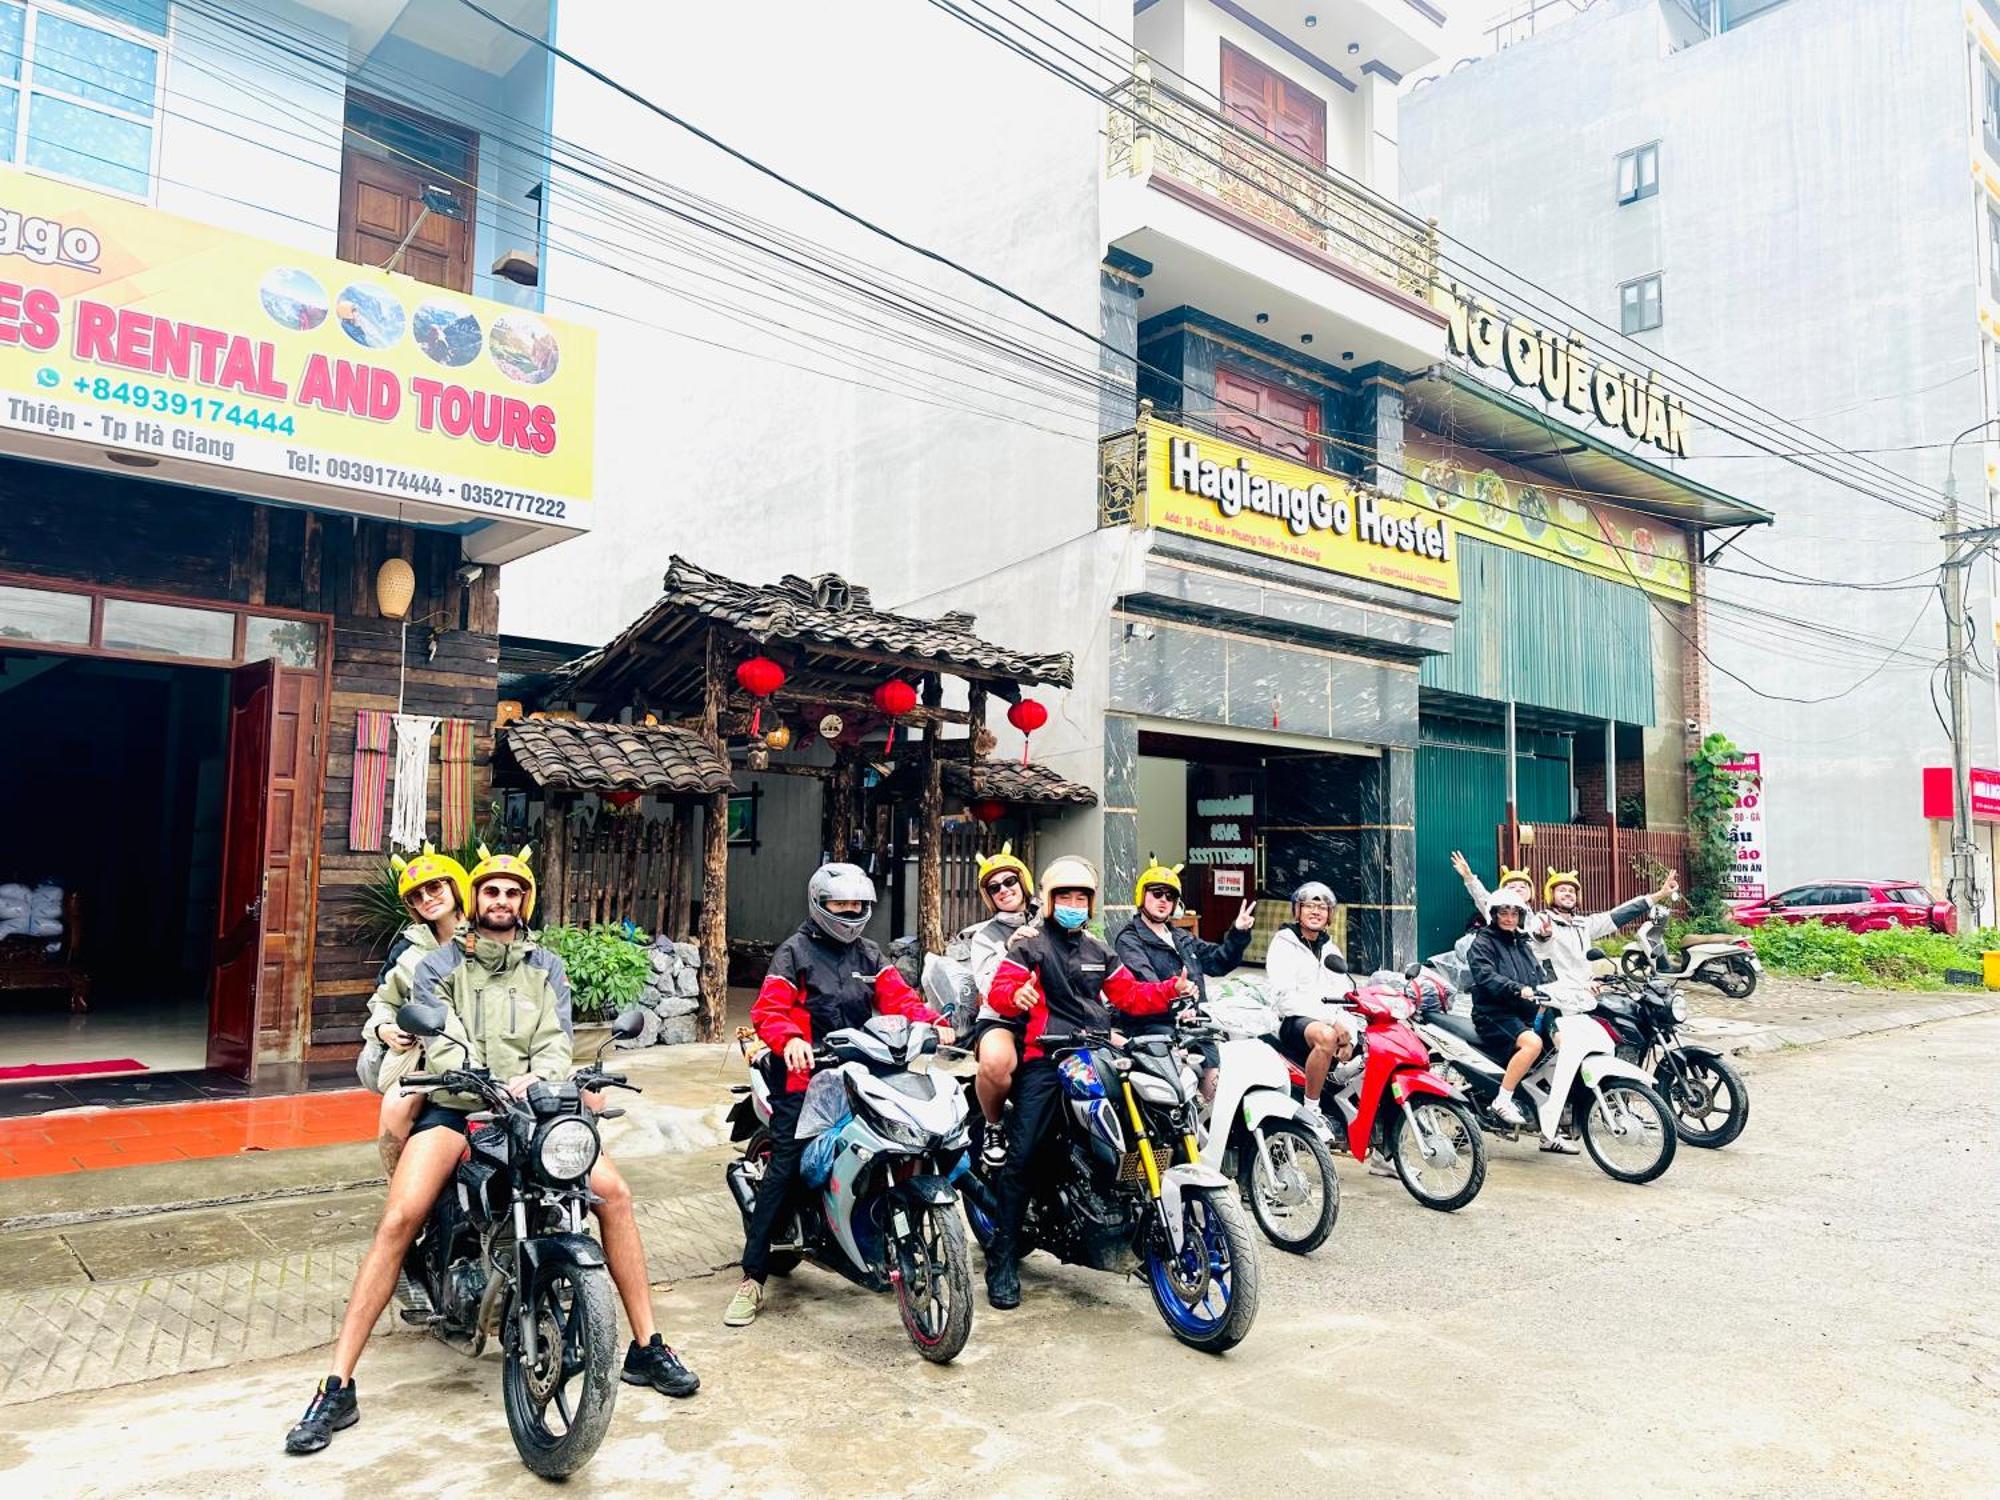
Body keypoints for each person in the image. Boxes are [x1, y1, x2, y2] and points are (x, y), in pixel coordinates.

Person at [284, 847, 697, 1456]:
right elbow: (440, 1036)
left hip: (533, 1105)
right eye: (491, 892)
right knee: (400, 1218)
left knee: (614, 1194)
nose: (500, 902)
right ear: (474, 899)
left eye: (511, 893)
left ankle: (645, 1345)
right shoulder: (439, 964)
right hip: (460, 1103)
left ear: (524, 901)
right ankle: (337, 1384)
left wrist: (547, 1078)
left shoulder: (547, 966)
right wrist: (476, 1076)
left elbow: (557, 1036)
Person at [723, 863, 952, 1328]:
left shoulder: (870, 954)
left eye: (858, 906)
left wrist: (935, 1024)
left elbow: (899, 1000)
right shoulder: (795, 952)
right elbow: (768, 1009)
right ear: (819, 905)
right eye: (840, 905)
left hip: (866, 1071)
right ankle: (752, 1278)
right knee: (786, 1166)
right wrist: (789, 1040)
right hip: (806, 1078)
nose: (850, 914)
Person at [980, 856, 1190, 1311]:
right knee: (1022, 1155)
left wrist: (1171, 988)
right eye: (1065, 897)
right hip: (1046, 1057)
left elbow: (1130, 996)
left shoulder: (1099, 950)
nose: (1074, 904)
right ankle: (1001, 1259)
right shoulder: (1031, 944)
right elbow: (1001, 990)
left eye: (1082, 898)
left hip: (1096, 1052)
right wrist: (1016, 995)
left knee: (1147, 1118)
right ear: (1050, 900)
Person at [356, 845, 470, 1175]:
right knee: (396, 1107)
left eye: (435, 887)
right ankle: (403, 1191)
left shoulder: (489, 934)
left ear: (455, 887)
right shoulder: (408, 948)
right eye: (417, 896)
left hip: (489, 1054)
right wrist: (384, 1029)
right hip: (428, 1058)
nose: (428, 898)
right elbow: (383, 1000)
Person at [1113, 861, 1252, 1100]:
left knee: (1215, 1092)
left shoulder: (1180, 937)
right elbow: (1146, 982)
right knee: (1179, 1098)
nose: (1163, 900)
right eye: (1157, 893)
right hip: (1155, 1029)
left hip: (1195, 1027)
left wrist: (1238, 932)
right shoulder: (1129, 939)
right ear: (1142, 896)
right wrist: (1177, 997)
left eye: (1170, 896)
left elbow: (1218, 961)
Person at [956, 843, 1037, 1171]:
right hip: (1003, 1016)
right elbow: (990, 986)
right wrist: (1011, 948)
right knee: (996, 1063)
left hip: (1053, 1015)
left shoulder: (1052, 916)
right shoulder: (984, 936)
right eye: (994, 887)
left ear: (1024, 882)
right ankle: (993, 1124)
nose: (1004, 890)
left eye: (1009, 882)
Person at [1463, 889, 1565, 1145]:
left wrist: (1556, 989)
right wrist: (1516, 988)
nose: (1509, 918)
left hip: (1524, 1011)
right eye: (1503, 913)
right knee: (1533, 1044)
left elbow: (1538, 974)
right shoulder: (1483, 942)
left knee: (1562, 1046)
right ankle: (1503, 1100)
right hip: (1493, 1012)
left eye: (1514, 913)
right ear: (1494, 915)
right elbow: (1485, 975)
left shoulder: (1521, 941)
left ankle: (1550, 1130)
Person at [1261, 881, 1361, 1129]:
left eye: (1322, 907)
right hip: (1292, 1021)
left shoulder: (1330, 948)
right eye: (1309, 906)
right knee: (1326, 1037)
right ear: (1297, 911)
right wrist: (1333, 1023)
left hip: (1328, 1019)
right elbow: (1285, 998)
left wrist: (1350, 1035)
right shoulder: (1284, 943)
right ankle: (1312, 1109)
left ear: (1330, 915)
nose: (1316, 912)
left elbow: (1345, 995)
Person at [1539, 866, 1679, 998]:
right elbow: (1535, 935)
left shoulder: (1582, 924)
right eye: (1562, 890)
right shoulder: (1542, 920)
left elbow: (1617, 915)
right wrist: (1543, 935)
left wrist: (1660, 894)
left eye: (1571, 891)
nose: (1568, 894)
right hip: (1558, 994)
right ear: (1551, 894)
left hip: (1587, 991)